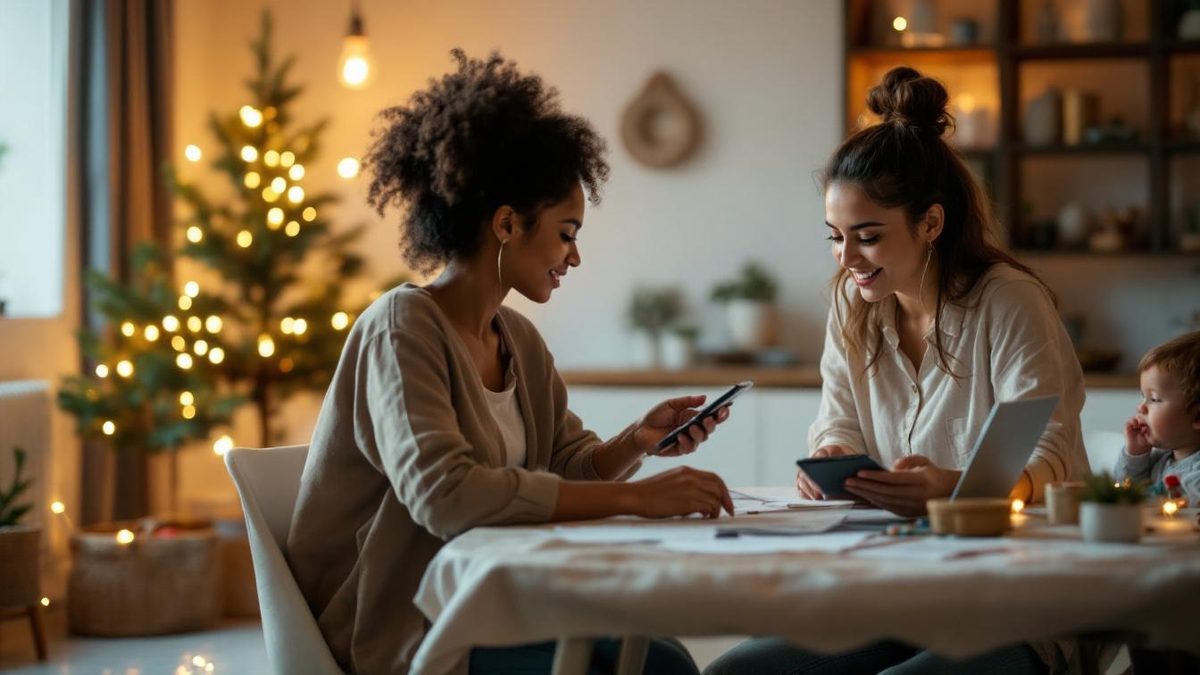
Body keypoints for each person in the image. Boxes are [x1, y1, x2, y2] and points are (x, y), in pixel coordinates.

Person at [287, 50, 733, 675]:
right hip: (407, 630)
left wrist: (638, 441)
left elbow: (564, 465)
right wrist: (637, 502)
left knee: (661, 656)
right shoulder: (401, 328)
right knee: (656, 668)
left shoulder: (517, 338)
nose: (574, 257)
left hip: (493, 606)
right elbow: (446, 496)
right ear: (505, 224)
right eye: (566, 232)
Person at [706, 67, 1087, 675]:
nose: (846, 259)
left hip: (1017, 603)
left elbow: (1049, 452)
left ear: (930, 224)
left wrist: (954, 489)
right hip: (893, 591)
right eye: (835, 237)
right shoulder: (850, 303)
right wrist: (832, 459)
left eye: (868, 237)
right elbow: (839, 424)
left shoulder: (1008, 300)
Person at [1115, 330, 1200, 503]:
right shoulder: (1157, 460)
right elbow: (1125, 495)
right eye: (1142, 396)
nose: (1141, 407)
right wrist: (1136, 455)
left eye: (1154, 399)